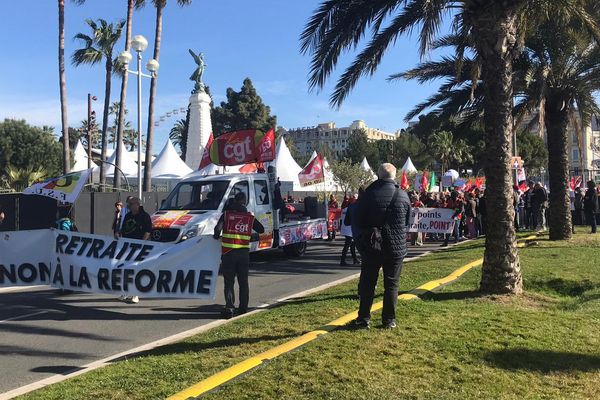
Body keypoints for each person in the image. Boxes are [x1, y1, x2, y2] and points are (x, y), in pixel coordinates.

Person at [352, 163, 411, 330]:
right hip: (396, 248)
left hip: (372, 246)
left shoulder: (369, 195)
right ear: (394, 176)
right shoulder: (403, 195)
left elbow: (357, 220)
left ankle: (363, 318)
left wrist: (361, 241)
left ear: (378, 175)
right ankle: (389, 320)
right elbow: (407, 221)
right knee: (392, 284)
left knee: (368, 283)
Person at [214, 192, 265, 319]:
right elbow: (261, 229)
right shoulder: (249, 217)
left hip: (228, 253)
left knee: (229, 282)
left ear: (234, 201)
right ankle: (243, 308)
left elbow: (216, 231)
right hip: (243, 254)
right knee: (243, 282)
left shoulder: (226, 215)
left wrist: (218, 236)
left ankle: (230, 307)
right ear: (244, 201)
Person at [120, 197, 152, 304]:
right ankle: (126, 291)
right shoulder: (128, 215)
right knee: (126, 269)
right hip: (127, 246)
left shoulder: (145, 216)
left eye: (131, 204)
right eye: (128, 204)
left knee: (136, 269)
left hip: (139, 247)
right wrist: (118, 234)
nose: (129, 206)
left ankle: (135, 294)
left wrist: (141, 243)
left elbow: (147, 231)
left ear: (137, 204)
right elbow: (123, 229)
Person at [340, 193, 359, 265]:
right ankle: (342, 260)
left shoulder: (344, 209)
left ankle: (355, 259)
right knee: (348, 245)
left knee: (352, 245)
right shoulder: (352, 209)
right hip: (350, 230)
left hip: (346, 229)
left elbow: (341, 220)